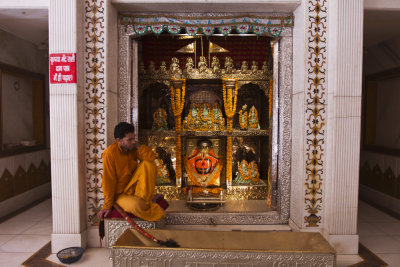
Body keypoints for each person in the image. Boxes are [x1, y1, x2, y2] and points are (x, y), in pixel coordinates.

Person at [97, 122, 165, 222]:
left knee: (149, 164)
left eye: (134, 138)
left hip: (134, 189)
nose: (133, 141)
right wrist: (107, 205)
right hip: (121, 195)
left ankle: (147, 199)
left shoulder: (132, 148)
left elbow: (151, 157)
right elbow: (108, 180)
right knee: (136, 205)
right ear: (119, 140)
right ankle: (149, 203)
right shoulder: (110, 154)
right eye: (130, 139)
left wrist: (137, 145)